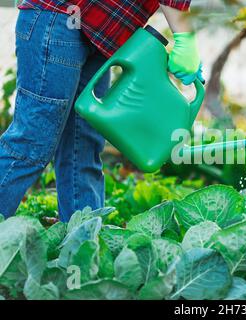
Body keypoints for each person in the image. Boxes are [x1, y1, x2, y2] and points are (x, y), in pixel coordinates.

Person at [0, 0, 202, 221]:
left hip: (97, 37)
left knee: (82, 149)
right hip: (59, 17)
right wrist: (185, 38)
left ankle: (83, 247)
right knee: (32, 141)